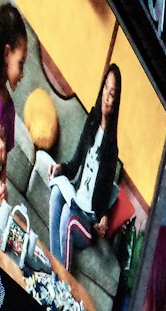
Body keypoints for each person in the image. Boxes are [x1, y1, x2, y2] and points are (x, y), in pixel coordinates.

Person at [47, 65, 122, 273]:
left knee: (67, 220)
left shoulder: (112, 149)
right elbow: (73, 166)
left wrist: (103, 219)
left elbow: (104, 199)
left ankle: (63, 282)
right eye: (105, 88)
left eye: (112, 93)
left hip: (87, 219)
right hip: (76, 201)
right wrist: (59, 168)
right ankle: (55, 266)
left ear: (116, 102)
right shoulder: (91, 122)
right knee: (56, 194)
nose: (107, 96)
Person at [0, 4, 27, 204]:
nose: (22, 73)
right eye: (21, 63)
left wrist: (1, 183)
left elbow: (2, 165)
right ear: (7, 54)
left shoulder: (9, 110)